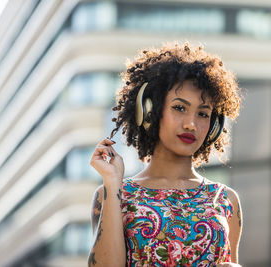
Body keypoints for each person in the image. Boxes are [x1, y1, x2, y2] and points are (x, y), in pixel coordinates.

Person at [88, 42, 243, 267]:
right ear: (150, 111)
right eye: (179, 108)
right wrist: (113, 185)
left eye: (202, 113)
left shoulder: (227, 200)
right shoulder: (112, 195)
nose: (191, 124)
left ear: (214, 125)